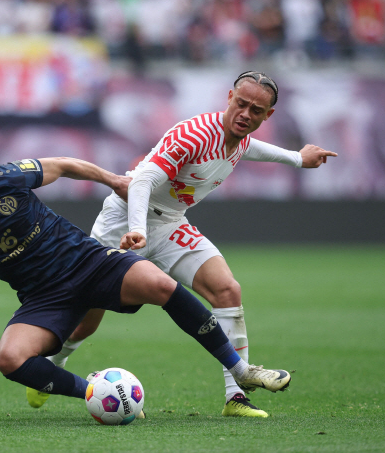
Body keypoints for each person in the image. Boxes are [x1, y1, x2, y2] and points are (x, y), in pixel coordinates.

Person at [0, 157, 291, 410]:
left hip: (89, 262)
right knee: (9, 358)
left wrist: (113, 179)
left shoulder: (4, 180)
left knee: (159, 284)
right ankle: (91, 392)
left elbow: (64, 165)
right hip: (44, 297)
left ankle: (240, 369)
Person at [30, 71, 337, 417]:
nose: (245, 114)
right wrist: (137, 228)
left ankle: (236, 397)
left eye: (256, 110)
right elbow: (142, 180)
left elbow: (251, 149)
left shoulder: (241, 139)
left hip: (170, 225)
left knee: (227, 290)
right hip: (124, 223)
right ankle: (50, 368)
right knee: (88, 317)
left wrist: (298, 158)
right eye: (241, 104)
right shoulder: (194, 134)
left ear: (268, 116)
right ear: (229, 98)